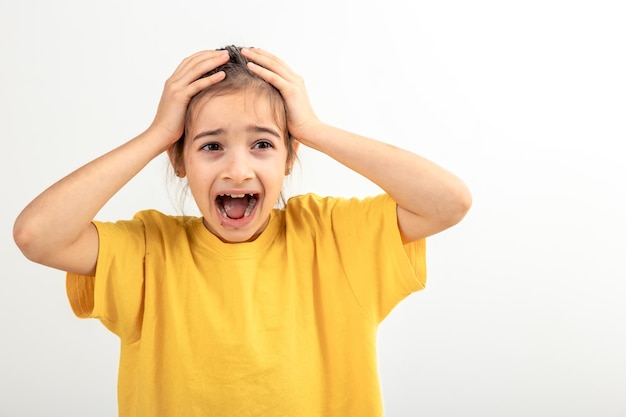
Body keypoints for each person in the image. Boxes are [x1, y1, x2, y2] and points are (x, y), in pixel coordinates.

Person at [13, 45, 472, 416]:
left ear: (289, 157)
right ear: (179, 161)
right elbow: (37, 235)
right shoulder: (150, 250)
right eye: (211, 145)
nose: (237, 169)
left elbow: (448, 203)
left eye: (262, 144)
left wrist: (312, 127)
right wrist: (157, 134)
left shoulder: (332, 236)